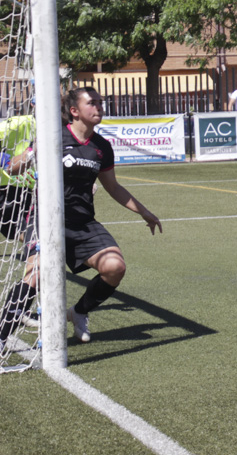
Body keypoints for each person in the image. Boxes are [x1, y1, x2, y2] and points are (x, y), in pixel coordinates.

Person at [58, 87, 162, 343]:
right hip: (47, 221)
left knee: (115, 267)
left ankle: (79, 312)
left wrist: (145, 212)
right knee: (37, 273)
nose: (98, 108)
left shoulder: (102, 146)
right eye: (92, 103)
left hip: (82, 224)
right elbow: (18, 163)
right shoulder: (54, 137)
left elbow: (112, 186)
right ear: (74, 111)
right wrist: (27, 156)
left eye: (100, 103)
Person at [0, 107, 39, 353]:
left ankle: (23, 304)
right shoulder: (13, 126)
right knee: (31, 242)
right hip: (6, 194)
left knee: (36, 244)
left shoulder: (57, 127)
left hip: (25, 195)